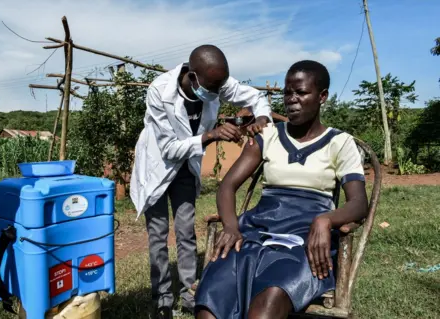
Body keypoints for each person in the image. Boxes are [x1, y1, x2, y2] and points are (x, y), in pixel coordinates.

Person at [194, 60, 368, 319]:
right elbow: (227, 187)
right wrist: (231, 228)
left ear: (322, 97)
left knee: (266, 306)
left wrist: (325, 220)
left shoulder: (339, 143)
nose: (292, 100)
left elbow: (359, 203)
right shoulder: (268, 136)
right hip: (257, 230)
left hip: (304, 239)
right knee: (211, 302)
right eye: (287, 92)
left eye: (301, 92)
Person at [129, 44, 273, 318]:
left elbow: (255, 97)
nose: (217, 94)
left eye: (220, 88)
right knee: (158, 235)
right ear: (193, 77)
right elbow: (169, 148)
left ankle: (188, 293)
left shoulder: (216, 82)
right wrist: (212, 135)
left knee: (186, 231)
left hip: (185, 167)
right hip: (157, 167)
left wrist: (262, 117)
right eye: (211, 88)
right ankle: (161, 300)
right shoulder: (160, 91)